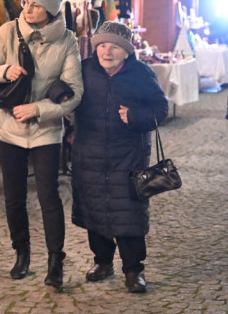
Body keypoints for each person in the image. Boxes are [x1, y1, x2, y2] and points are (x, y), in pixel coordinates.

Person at [0, 0, 83, 287]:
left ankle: (55, 261)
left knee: (49, 195)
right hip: (7, 127)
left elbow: (75, 92)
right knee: (14, 196)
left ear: (52, 9)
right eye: (27, 2)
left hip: (46, 129)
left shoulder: (67, 41)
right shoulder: (9, 31)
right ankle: (21, 253)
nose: (29, 9)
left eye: (37, 5)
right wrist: (4, 70)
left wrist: (37, 110)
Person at [71, 21, 169, 293]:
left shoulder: (141, 74)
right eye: (102, 45)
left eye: (114, 47)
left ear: (127, 52)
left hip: (128, 157)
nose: (107, 51)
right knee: (95, 212)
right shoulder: (84, 70)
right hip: (89, 154)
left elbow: (161, 109)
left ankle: (133, 270)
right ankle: (102, 262)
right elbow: (65, 90)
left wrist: (136, 116)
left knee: (128, 214)